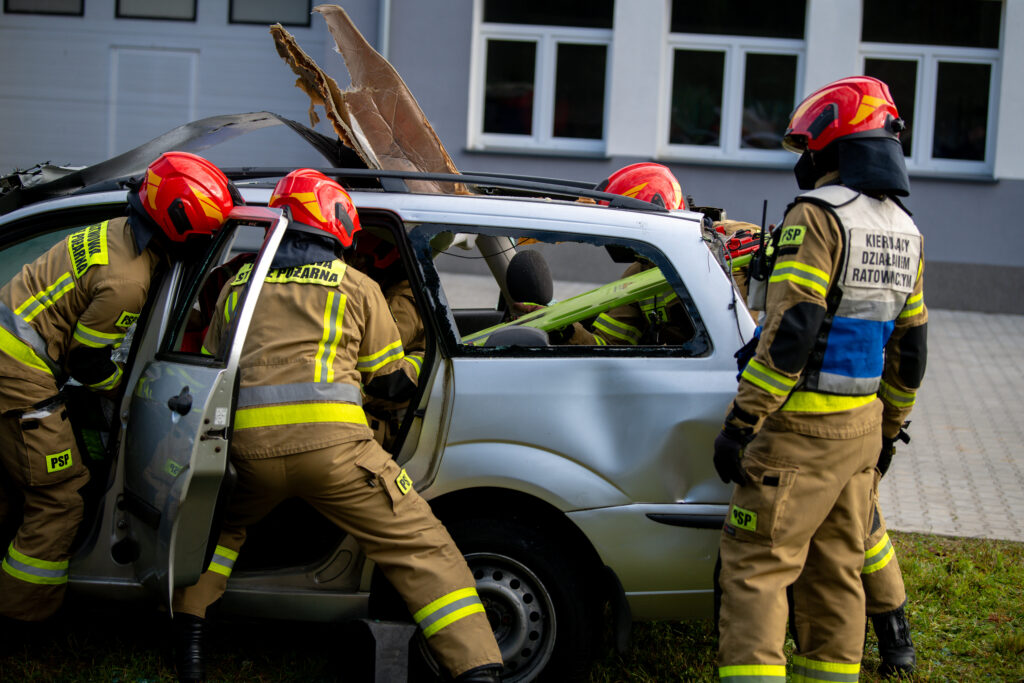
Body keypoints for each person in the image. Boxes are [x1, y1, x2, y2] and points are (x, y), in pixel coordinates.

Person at [171, 169, 503, 683]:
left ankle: (188, 640)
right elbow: (389, 386)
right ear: (337, 225)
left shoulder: (238, 287)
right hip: (336, 453)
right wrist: (419, 363)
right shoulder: (357, 286)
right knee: (418, 544)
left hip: (248, 455)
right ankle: (478, 669)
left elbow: (214, 369)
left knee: (218, 533)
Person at [713, 75, 927, 682]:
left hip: (798, 435)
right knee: (837, 573)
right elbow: (912, 351)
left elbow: (792, 334)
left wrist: (742, 421)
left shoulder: (819, 216)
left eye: (810, 147)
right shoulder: (906, 230)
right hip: (860, 434)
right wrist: (888, 430)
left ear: (831, 146)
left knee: (758, 569)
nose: (804, 160)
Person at [0, 152, 236, 622]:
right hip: (16, 374)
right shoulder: (128, 280)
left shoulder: (114, 229)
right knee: (61, 495)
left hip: (12, 358)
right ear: (181, 229)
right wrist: (130, 393)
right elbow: (88, 364)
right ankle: (22, 616)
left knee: (15, 484)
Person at [556, 162, 696, 346]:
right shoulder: (639, 273)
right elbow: (607, 345)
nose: (614, 240)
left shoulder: (714, 263)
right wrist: (565, 330)